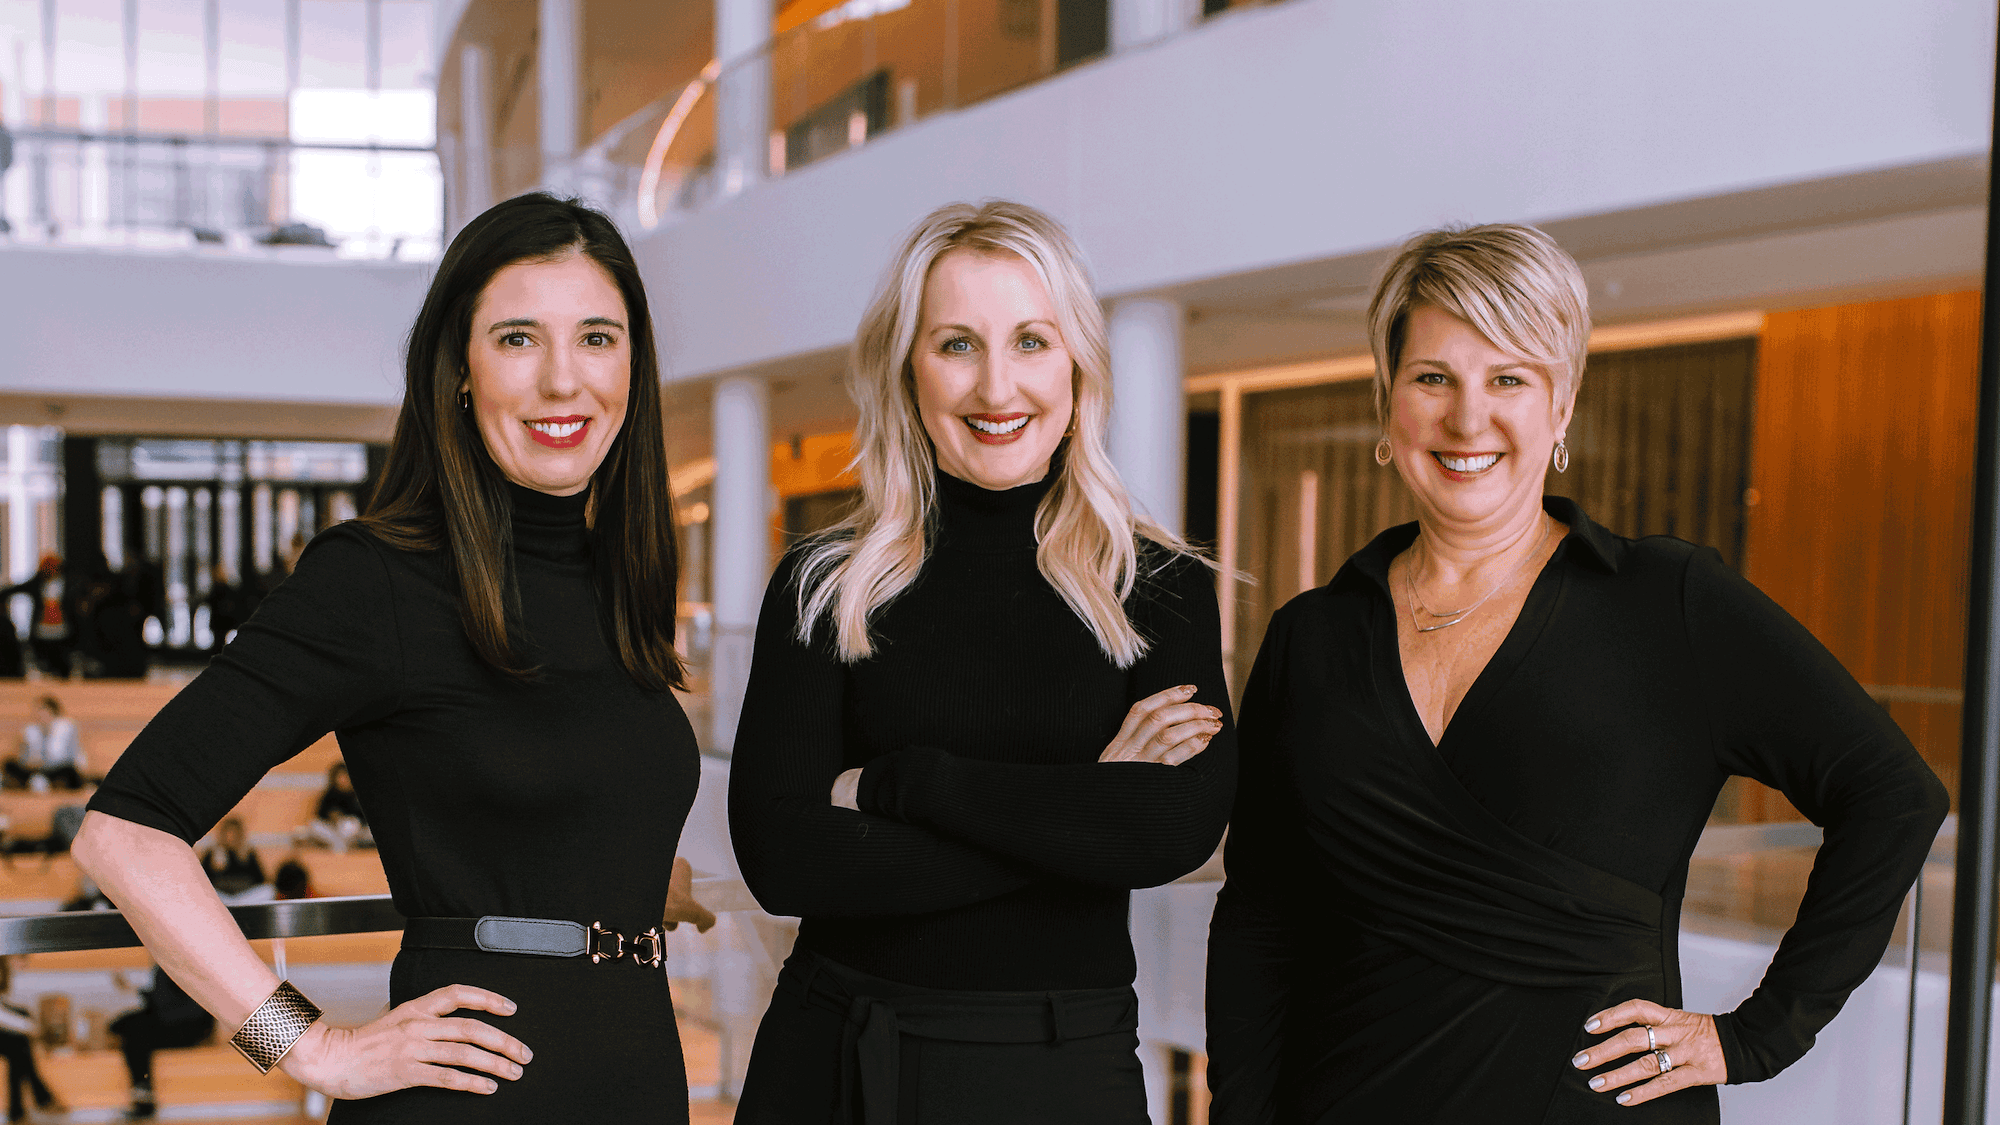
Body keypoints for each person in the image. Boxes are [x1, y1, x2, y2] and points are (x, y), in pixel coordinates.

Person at [1204, 224, 1949, 1124]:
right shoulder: (1310, 637)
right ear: (1385, 398)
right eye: (1433, 376)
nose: (1467, 418)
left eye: (1509, 379)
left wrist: (1756, 1034)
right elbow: (1262, 921)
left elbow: (1892, 793)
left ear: (1560, 408)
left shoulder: (1667, 602)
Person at [72, 193, 709, 1123]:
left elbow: (539, 794)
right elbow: (124, 833)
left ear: (634, 365)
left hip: (638, 1075)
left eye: (598, 338)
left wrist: (637, 876)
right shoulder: (377, 580)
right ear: (459, 369)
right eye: (519, 339)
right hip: (468, 1099)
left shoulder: (621, 576)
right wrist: (310, 1046)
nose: (564, 381)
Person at [728, 200, 1235, 1123]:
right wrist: (1086, 801)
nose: (998, 388)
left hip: (1063, 1068)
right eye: (958, 344)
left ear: (1079, 364)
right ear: (907, 369)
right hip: (839, 1054)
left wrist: (904, 784)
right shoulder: (824, 583)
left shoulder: (1155, 586)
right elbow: (784, 859)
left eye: (1033, 341)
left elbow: (1171, 830)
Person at [109, 966, 215, 1120]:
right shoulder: (169, 964)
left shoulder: (177, 964)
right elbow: (164, 1003)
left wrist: (137, 992)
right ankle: (142, 1089)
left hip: (187, 1028)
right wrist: (134, 990)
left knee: (135, 1035)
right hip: (179, 1022)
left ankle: (143, 1095)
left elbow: (174, 1007)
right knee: (122, 1026)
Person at [0, 957, 60, 1123]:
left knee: (18, 1051)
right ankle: (41, 1098)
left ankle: (21, 1110)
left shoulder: (7, 974)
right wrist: (32, 1028)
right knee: (19, 1048)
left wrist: (30, 1026)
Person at [5, 696, 82, 791]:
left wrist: (48, 763)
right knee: (9, 764)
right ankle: (38, 782)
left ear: (53, 711)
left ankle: (44, 782)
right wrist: (31, 761)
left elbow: (72, 757)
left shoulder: (67, 728)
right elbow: (23, 758)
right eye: (37, 710)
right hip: (34, 769)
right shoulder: (29, 730)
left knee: (69, 771)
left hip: (56, 769)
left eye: (42, 709)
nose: (38, 714)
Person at [297, 762, 371, 852]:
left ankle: (340, 845)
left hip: (352, 831)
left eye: (345, 777)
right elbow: (320, 816)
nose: (343, 780)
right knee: (314, 825)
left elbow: (362, 819)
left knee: (350, 825)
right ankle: (340, 845)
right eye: (340, 777)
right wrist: (333, 818)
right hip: (333, 831)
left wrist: (343, 818)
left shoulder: (356, 796)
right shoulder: (329, 795)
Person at [199, 817, 266, 897]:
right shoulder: (212, 852)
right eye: (228, 833)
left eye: (235, 833)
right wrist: (215, 865)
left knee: (268, 890)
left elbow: (261, 880)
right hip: (221, 897)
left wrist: (244, 861)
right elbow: (202, 880)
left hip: (244, 896)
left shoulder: (248, 852)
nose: (231, 837)